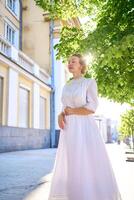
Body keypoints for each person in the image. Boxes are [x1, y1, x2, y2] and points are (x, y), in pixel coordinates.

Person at [48, 54, 122, 200]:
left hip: (84, 128)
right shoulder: (66, 86)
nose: (70, 63)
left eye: (73, 61)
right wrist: (60, 115)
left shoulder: (89, 82)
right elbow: (65, 107)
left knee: (85, 161)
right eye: (68, 62)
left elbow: (92, 107)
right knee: (72, 162)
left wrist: (73, 111)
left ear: (81, 65)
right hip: (69, 130)